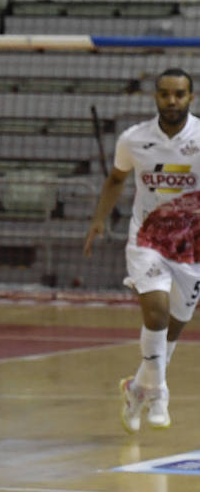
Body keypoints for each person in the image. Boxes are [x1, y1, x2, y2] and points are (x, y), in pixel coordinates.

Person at [84, 68, 199, 434]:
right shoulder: (133, 139)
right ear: (155, 96)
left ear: (190, 97)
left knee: (174, 329)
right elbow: (116, 179)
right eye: (165, 94)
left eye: (179, 94)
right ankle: (160, 393)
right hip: (147, 239)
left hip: (191, 245)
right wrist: (99, 220)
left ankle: (136, 390)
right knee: (157, 311)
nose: (171, 101)